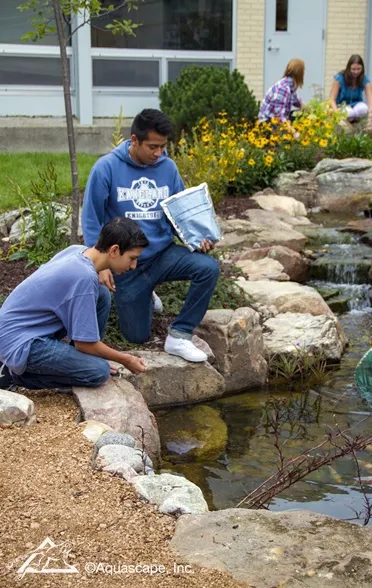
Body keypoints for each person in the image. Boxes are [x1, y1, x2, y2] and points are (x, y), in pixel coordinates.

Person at [81, 108, 220, 363]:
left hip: (162, 254)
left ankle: (180, 335)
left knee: (208, 267)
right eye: (152, 147)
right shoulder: (106, 168)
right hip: (127, 267)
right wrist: (98, 265)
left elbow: (179, 212)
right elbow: (91, 219)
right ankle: (146, 293)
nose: (158, 153)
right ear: (134, 140)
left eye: (163, 147)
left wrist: (197, 238)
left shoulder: (168, 168)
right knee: (136, 336)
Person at [0, 217, 149, 391]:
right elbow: (84, 344)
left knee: (101, 294)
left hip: (19, 330)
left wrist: (104, 266)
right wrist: (125, 359)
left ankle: (77, 363)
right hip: (20, 343)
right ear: (114, 250)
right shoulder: (84, 277)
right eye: (132, 258)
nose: (133, 265)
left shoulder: (77, 251)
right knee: (98, 371)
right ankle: (13, 375)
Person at [329, 54, 372, 128]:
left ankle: (358, 125)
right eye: (353, 69)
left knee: (363, 108)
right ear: (348, 68)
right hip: (342, 106)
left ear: (362, 68)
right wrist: (337, 115)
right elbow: (332, 99)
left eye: (358, 69)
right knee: (349, 113)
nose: (356, 72)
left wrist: (369, 120)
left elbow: (371, 101)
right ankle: (348, 127)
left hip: (356, 106)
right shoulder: (339, 78)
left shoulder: (364, 79)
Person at [258, 58, 305, 123]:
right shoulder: (283, 88)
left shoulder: (290, 86)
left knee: (301, 114)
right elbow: (280, 115)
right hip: (267, 122)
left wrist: (312, 111)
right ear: (299, 74)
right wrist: (294, 132)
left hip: (276, 119)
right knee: (291, 123)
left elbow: (298, 102)